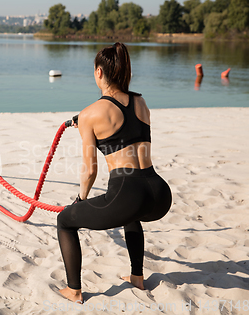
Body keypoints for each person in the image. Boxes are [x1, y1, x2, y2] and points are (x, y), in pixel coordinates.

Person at [57, 42, 172, 303]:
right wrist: (86, 122)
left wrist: (80, 200)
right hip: (160, 193)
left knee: (65, 220)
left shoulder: (90, 114)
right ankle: (137, 277)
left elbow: (89, 170)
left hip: (130, 193)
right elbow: (124, 126)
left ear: (99, 72)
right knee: (131, 213)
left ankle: (74, 290)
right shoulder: (141, 102)